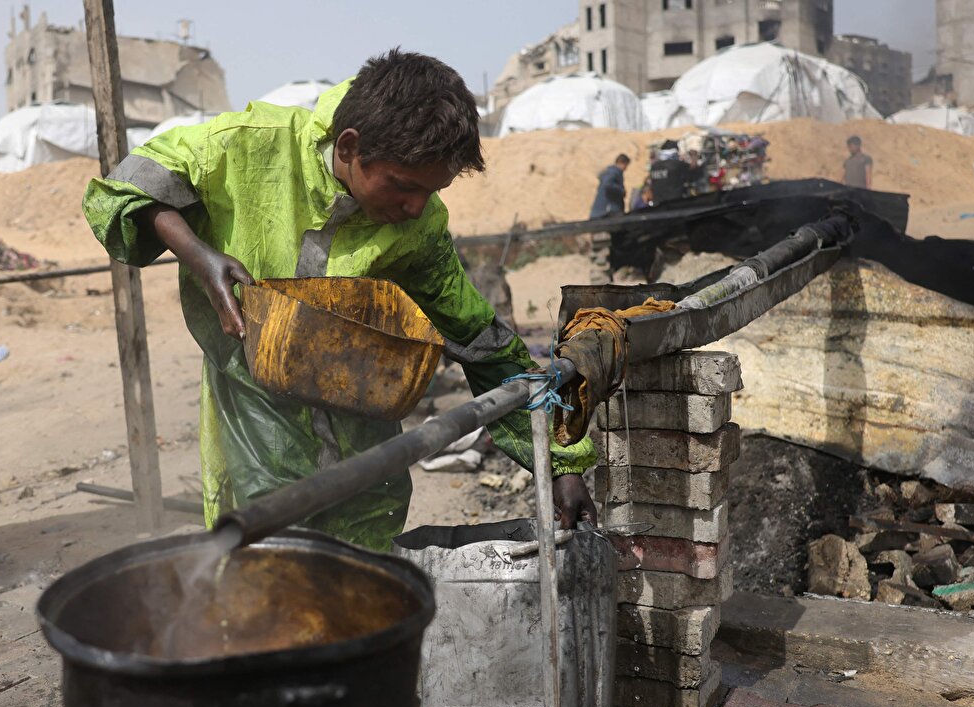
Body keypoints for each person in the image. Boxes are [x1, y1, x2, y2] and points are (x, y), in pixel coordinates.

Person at [82, 50, 597, 549]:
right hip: (259, 429)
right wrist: (199, 256)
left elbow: (483, 344)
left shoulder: (418, 228)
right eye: (401, 187)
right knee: (274, 580)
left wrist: (560, 463)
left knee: (364, 592)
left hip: (368, 445)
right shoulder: (243, 147)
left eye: (430, 192)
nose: (415, 208)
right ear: (348, 147)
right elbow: (126, 189)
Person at [590, 154, 630, 219]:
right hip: (607, 211)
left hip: (601, 211)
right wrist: (621, 191)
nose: (626, 168)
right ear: (621, 163)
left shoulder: (611, 172)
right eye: (626, 165)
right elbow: (608, 185)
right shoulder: (614, 172)